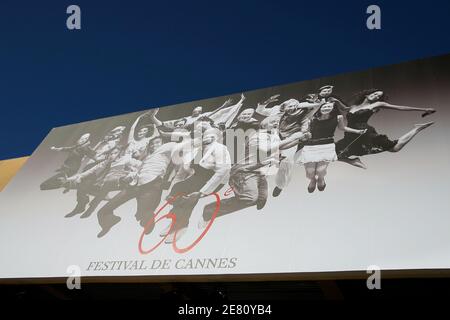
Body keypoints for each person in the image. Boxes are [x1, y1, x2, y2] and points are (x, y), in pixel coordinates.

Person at [200, 116, 310, 226]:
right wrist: (293, 137)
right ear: (264, 125)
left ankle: (252, 199)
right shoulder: (257, 136)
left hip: (259, 173)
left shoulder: (274, 135)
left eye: (277, 121)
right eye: (272, 122)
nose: (276, 123)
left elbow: (282, 147)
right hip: (244, 172)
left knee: (261, 198)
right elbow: (265, 149)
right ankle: (209, 211)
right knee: (249, 199)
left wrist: (300, 139)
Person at [95, 137, 178, 238]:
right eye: (151, 144)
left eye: (157, 142)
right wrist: (131, 174)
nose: (153, 145)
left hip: (151, 185)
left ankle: (147, 222)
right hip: (135, 184)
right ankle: (109, 222)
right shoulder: (148, 157)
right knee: (102, 212)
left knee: (145, 215)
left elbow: (187, 146)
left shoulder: (167, 148)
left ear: (163, 143)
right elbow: (140, 168)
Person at [335, 89, 435, 168]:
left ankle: (417, 129)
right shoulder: (353, 106)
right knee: (330, 153)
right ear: (367, 94)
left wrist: (424, 109)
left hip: (365, 133)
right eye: (375, 94)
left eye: (378, 96)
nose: (376, 96)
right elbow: (343, 108)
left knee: (394, 148)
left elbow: (400, 108)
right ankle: (353, 161)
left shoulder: (377, 104)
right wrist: (335, 100)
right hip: (350, 134)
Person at [164, 128, 231, 243]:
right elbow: (180, 175)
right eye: (204, 135)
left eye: (211, 135)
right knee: (177, 190)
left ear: (216, 138)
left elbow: (222, 171)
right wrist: (171, 193)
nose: (206, 137)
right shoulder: (194, 151)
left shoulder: (220, 149)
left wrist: (202, 192)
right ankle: (176, 220)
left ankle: (181, 227)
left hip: (214, 180)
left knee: (189, 198)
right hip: (198, 177)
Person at [298, 102, 366, 193]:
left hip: (326, 146)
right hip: (310, 146)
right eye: (324, 106)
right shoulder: (312, 118)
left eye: (329, 106)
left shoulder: (338, 118)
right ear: (319, 107)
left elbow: (343, 128)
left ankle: (321, 179)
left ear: (333, 108)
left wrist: (358, 131)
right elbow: (304, 128)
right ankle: (312, 180)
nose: (326, 108)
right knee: (310, 173)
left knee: (320, 171)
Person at [271, 98, 323, 197]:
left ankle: (280, 185)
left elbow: (316, 107)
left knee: (286, 163)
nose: (292, 108)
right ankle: (280, 184)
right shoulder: (281, 112)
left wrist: (298, 105)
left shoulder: (302, 114)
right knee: (285, 162)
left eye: (295, 106)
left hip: (292, 140)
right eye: (290, 106)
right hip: (279, 137)